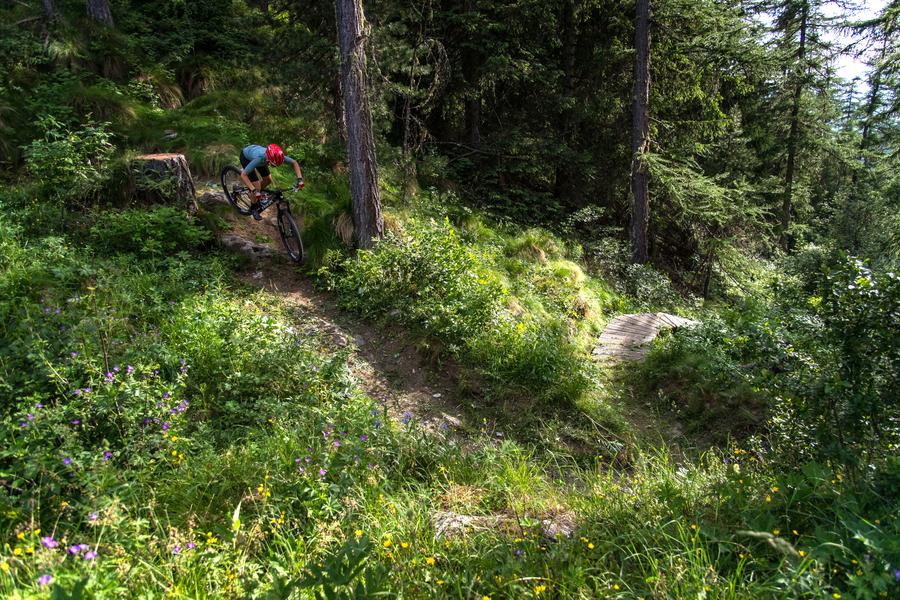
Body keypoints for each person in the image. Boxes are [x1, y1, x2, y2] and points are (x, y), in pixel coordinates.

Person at [239, 143, 304, 220]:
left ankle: (257, 194)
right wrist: (254, 190)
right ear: (268, 159)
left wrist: (300, 180)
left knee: (268, 180)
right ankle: (253, 208)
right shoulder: (260, 158)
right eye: (273, 165)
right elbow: (243, 175)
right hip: (246, 157)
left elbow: (294, 162)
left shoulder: (277, 155)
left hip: (259, 157)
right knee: (257, 187)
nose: (274, 167)